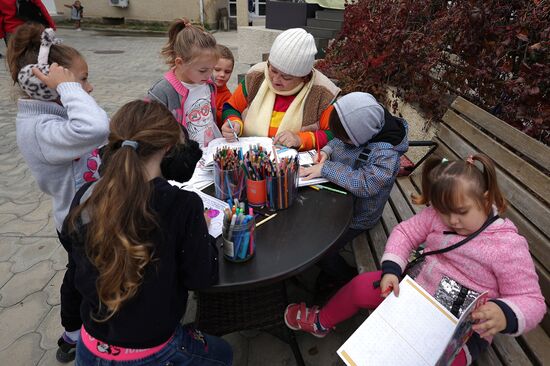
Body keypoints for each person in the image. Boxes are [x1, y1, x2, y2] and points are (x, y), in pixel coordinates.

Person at [285, 154, 545, 365]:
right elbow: (406, 232)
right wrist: (391, 269)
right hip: (416, 293)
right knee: (361, 285)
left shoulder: (507, 245)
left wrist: (505, 314)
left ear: (486, 200)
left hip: (461, 330)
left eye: (462, 213)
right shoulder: (438, 214)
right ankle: (322, 321)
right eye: (445, 213)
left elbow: (531, 300)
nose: (453, 221)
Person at [59, 100, 233, 366]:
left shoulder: (86, 196)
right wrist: (205, 234)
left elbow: (73, 272)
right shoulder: (182, 205)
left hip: (90, 345)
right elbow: (200, 278)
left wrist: (71, 328)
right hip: (153, 349)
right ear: (168, 147)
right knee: (224, 354)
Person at [7, 23, 109, 362]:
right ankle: (75, 335)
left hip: (87, 216)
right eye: (81, 81)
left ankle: (76, 331)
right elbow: (97, 127)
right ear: (46, 86)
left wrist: (69, 90)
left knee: (80, 272)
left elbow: (97, 130)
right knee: (83, 278)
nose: (89, 88)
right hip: (78, 223)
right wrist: (68, 87)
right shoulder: (42, 129)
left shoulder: (55, 113)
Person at [300, 92, 408, 288]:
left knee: (323, 251)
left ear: (363, 136)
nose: (344, 142)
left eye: (348, 140)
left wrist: (326, 168)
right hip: (338, 198)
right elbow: (338, 141)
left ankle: (345, 278)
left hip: (358, 216)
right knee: (308, 222)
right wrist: (326, 151)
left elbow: (366, 184)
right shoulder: (361, 127)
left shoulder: (386, 156)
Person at [221, 28, 340, 151]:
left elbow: (335, 134)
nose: (275, 79)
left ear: (303, 77)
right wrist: (234, 123)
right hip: (250, 156)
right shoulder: (256, 77)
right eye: (273, 70)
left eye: (286, 77)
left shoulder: (322, 92)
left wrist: (301, 139)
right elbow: (231, 108)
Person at [148, 18, 222, 150]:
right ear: (180, 63)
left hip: (209, 152)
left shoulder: (206, 82)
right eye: (203, 70)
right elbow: (151, 132)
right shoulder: (162, 92)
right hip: (182, 159)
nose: (210, 75)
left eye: (212, 68)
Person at [213, 44, 234, 126]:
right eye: (217, 70)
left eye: (227, 72)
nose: (222, 74)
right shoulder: (198, 86)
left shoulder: (228, 97)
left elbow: (222, 122)